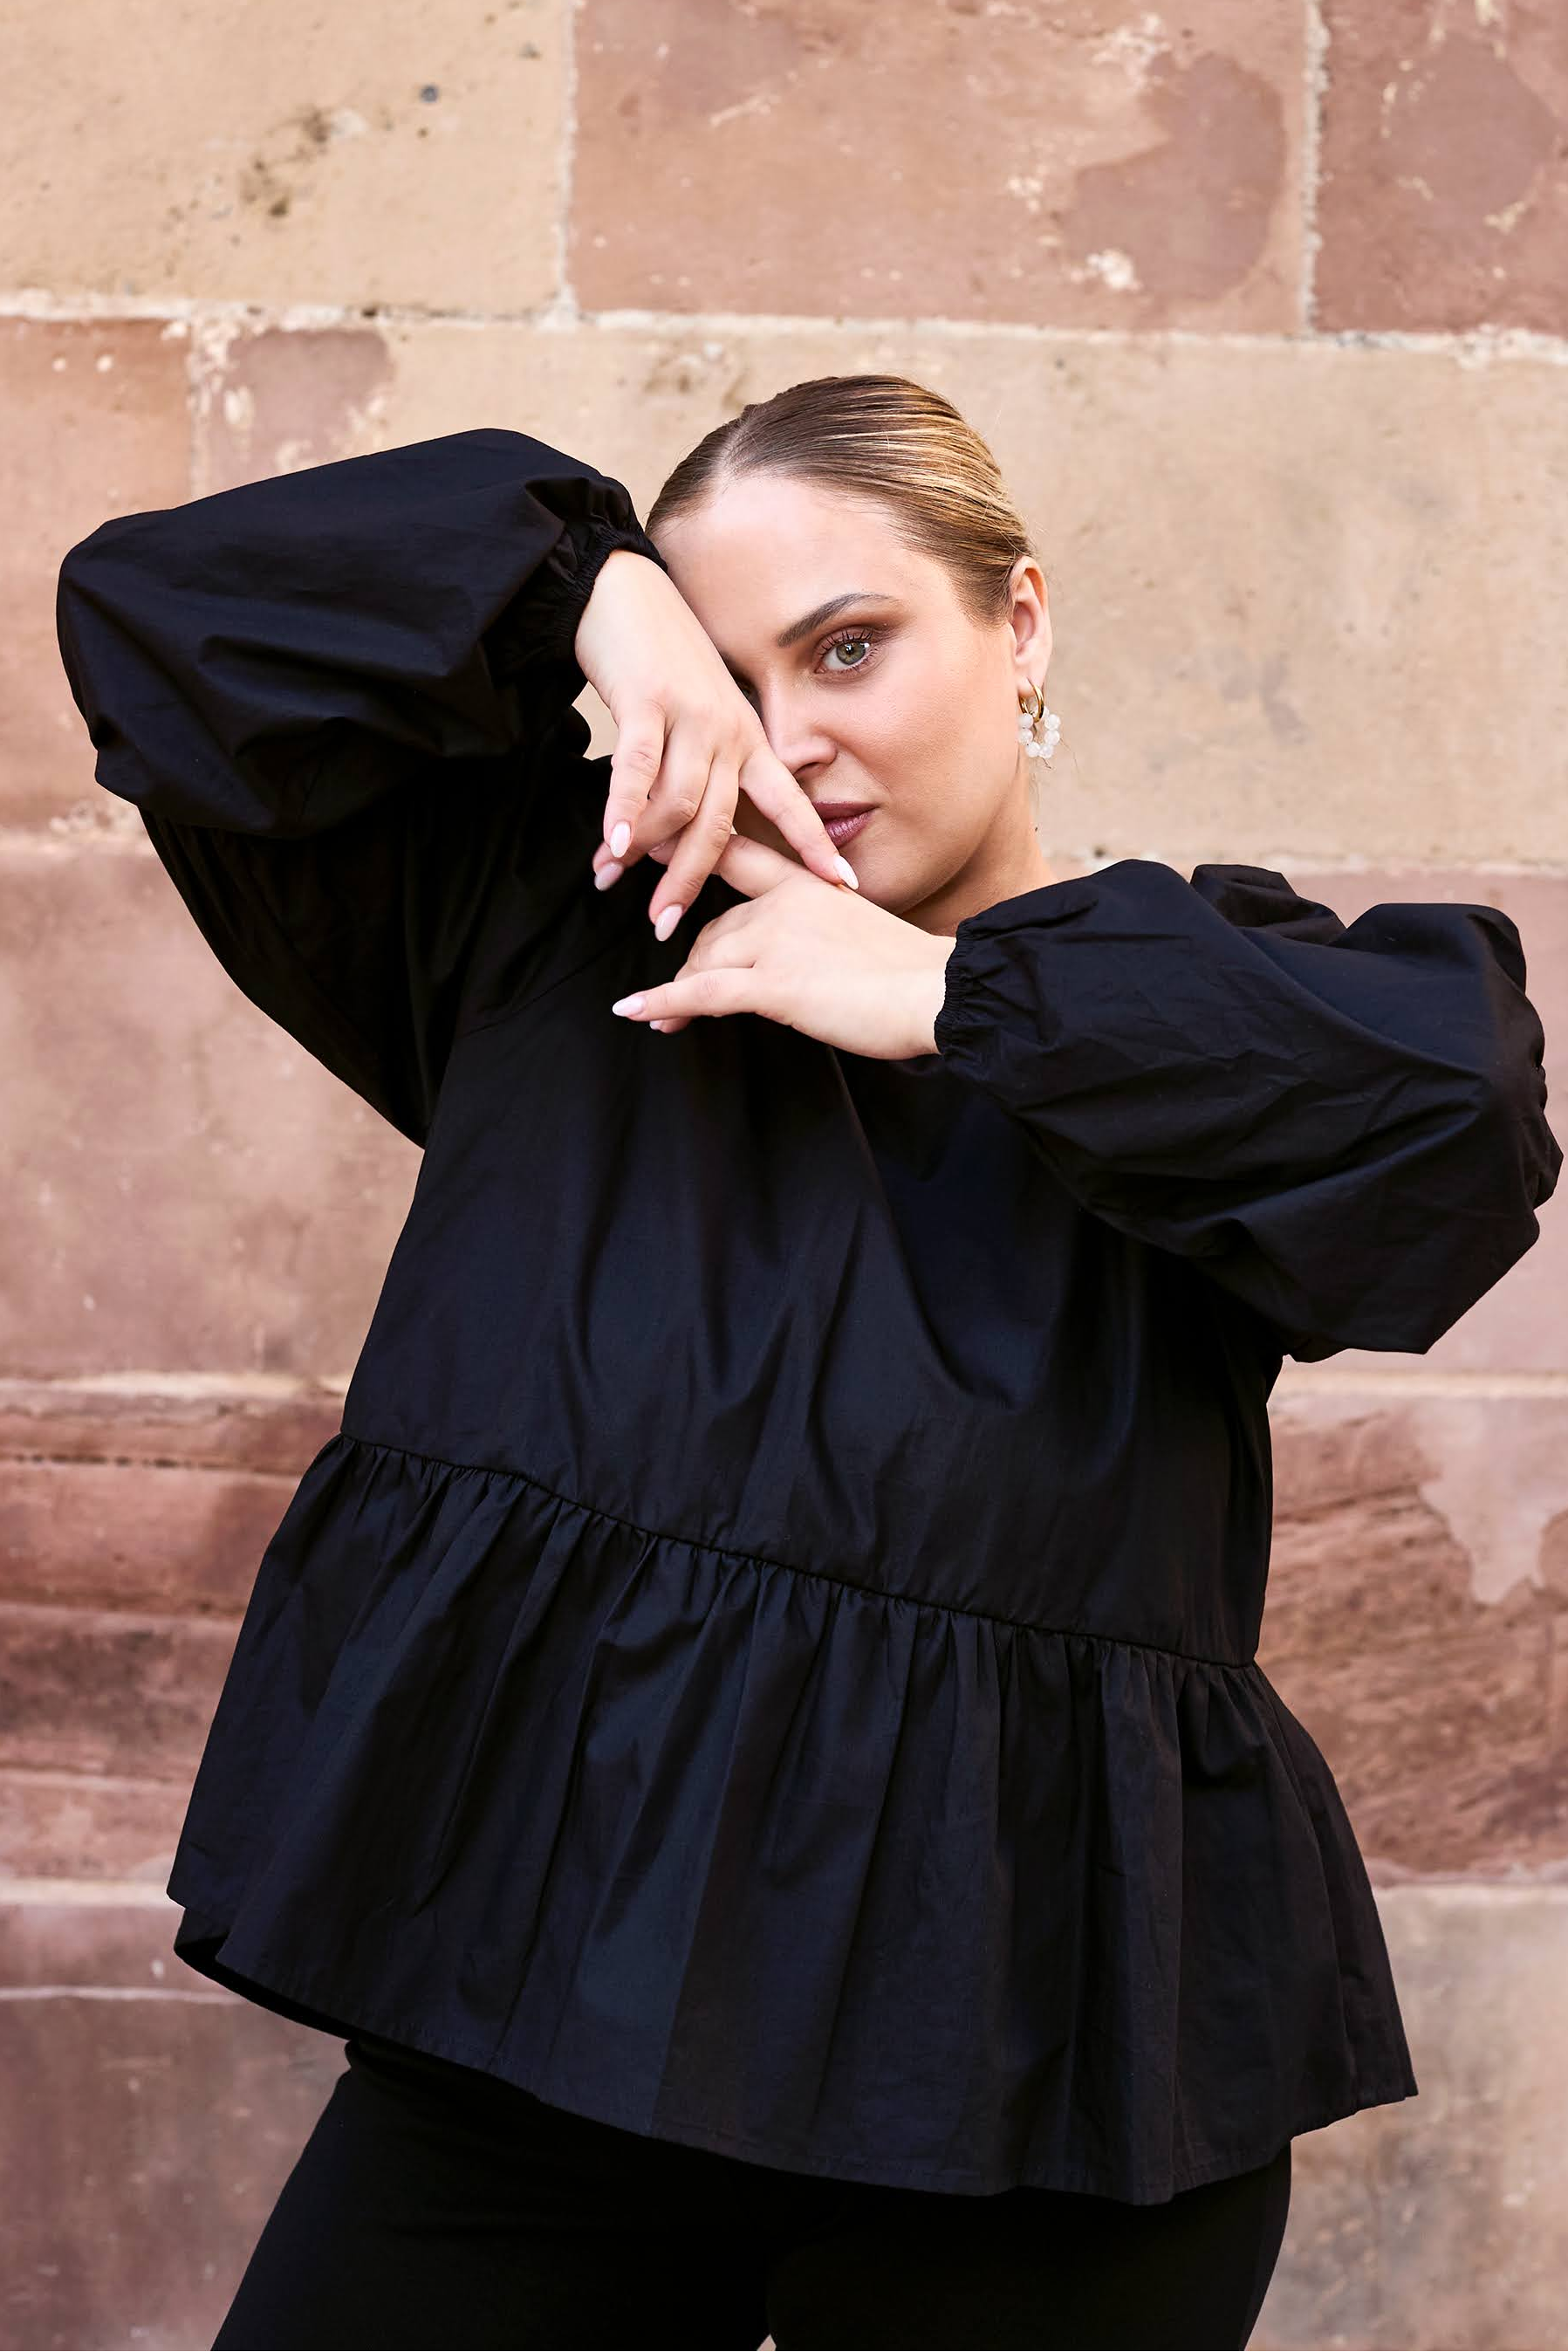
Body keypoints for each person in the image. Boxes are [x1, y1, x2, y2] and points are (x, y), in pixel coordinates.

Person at [54, 374, 1559, 2352]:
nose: (792, 738)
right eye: (730, 673)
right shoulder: (549, 943)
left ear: (1020, 625)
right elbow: (159, 616)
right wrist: (586, 588)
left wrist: (961, 1000)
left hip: (1033, 2116)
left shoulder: (1174, 1030)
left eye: (850, 647)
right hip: (532, 2051)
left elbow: (1459, 1117)